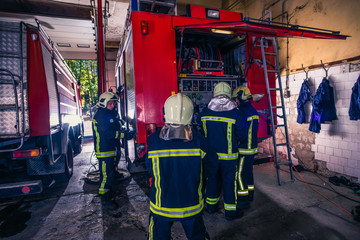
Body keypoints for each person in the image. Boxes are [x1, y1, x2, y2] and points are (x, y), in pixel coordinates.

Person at [146, 93, 217, 240]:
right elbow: (212, 167)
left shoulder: (153, 141)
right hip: (191, 204)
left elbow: (149, 168)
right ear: (190, 115)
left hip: (161, 206)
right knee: (198, 235)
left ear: (165, 113)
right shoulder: (200, 141)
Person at [197, 82, 243, 221]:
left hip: (211, 157)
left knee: (212, 181)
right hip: (229, 157)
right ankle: (230, 213)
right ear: (229, 93)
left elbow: (200, 129)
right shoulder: (236, 113)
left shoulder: (204, 113)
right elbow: (241, 134)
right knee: (229, 183)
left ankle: (211, 207)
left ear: (215, 93)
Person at [92, 91, 124, 210]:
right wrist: (123, 135)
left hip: (110, 150)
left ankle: (110, 193)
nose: (112, 106)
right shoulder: (100, 116)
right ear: (104, 103)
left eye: (113, 104)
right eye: (110, 103)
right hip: (104, 151)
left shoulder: (107, 114)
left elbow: (115, 125)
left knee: (110, 174)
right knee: (105, 176)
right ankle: (104, 198)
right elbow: (107, 134)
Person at [232, 86, 260, 210]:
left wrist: (234, 137)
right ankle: (250, 194)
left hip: (243, 149)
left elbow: (241, 133)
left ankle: (243, 200)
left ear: (239, 99)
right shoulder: (252, 110)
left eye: (236, 99)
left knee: (239, 174)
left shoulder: (241, 112)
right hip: (252, 148)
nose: (235, 101)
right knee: (248, 172)